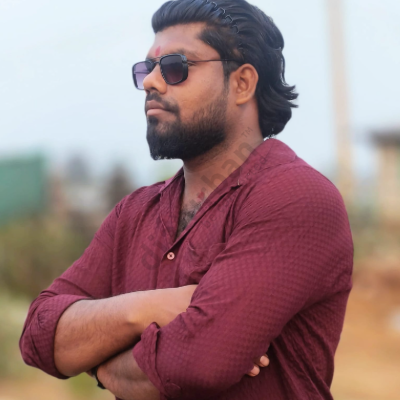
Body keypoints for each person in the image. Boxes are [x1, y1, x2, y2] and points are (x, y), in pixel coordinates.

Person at [19, 1, 353, 399]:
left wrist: (98, 358)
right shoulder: (134, 212)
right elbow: (38, 337)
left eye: (176, 67)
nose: (151, 82)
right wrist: (146, 309)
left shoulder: (295, 198)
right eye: (147, 68)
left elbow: (198, 364)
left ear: (243, 83)